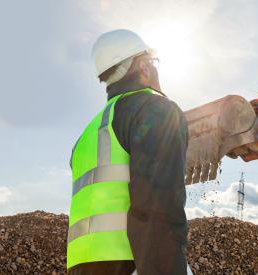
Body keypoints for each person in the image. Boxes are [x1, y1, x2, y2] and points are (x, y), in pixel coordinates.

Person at [67, 29, 189, 275]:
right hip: (131, 262)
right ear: (144, 66)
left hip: (80, 265)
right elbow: (157, 205)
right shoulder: (154, 109)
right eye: (153, 63)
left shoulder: (88, 134)